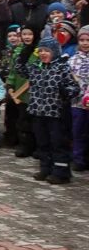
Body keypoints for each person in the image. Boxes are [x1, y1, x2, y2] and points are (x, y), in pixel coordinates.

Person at [15, 35, 78, 184]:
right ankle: (45, 168)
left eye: (47, 51)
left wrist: (65, 91)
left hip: (56, 113)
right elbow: (20, 69)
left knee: (58, 143)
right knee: (42, 142)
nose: (43, 53)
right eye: (41, 50)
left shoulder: (62, 67)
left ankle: (61, 172)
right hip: (38, 111)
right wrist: (25, 53)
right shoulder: (35, 67)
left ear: (54, 51)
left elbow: (75, 88)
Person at [5, 25, 37, 158]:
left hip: (35, 92)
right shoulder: (18, 51)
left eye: (30, 34)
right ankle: (24, 145)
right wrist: (10, 84)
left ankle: (36, 146)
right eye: (24, 34)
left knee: (34, 121)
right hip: (20, 92)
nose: (27, 37)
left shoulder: (39, 52)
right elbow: (13, 70)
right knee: (22, 120)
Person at [68, 25, 89, 171]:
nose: (85, 43)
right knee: (78, 131)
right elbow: (69, 79)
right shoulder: (73, 60)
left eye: (88, 40)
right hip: (77, 103)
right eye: (82, 40)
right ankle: (78, 159)